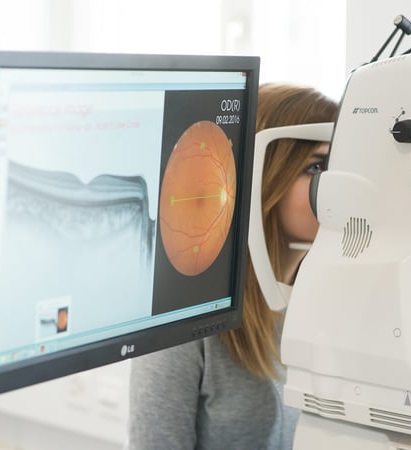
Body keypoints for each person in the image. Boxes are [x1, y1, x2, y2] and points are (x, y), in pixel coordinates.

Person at [126, 83, 338, 450]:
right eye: (316, 167)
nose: (334, 188)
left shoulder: (321, 302)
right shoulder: (186, 322)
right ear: (264, 177)